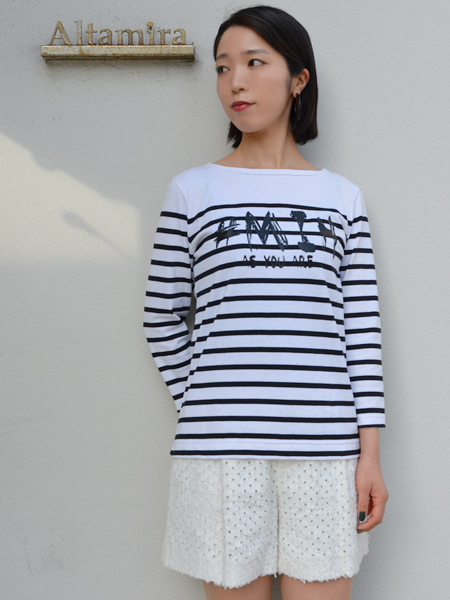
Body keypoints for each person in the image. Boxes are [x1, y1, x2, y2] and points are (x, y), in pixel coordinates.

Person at [143, 5, 389, 600]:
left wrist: (369, 454)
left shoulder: (341, 198)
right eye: (223, 67)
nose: (236, 82)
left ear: (298, 78)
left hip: (325, 453)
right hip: (221, 456)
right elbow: (160, 316)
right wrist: (205, 400)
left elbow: (360, 330)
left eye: (255, 63)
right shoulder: (193, 191)